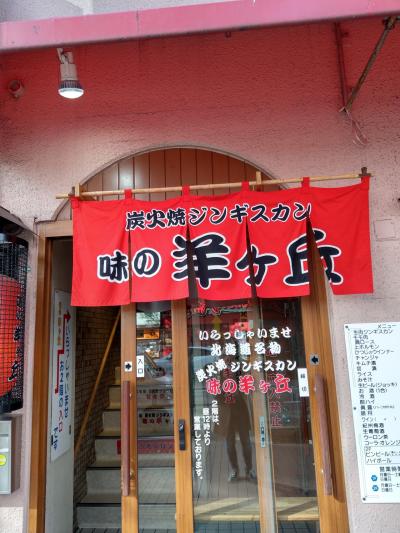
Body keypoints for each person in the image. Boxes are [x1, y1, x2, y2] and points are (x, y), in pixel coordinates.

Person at [217, 351, 257, 482]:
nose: (228, 359)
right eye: (225, 356)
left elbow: (248, 387)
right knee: (229, 444)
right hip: (226, 411)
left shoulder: (240, 368)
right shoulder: (218, 371)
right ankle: (234, 470)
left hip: (240, 409)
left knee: (246, 442)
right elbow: (214, 393)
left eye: (230, 356)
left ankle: (249, 469)